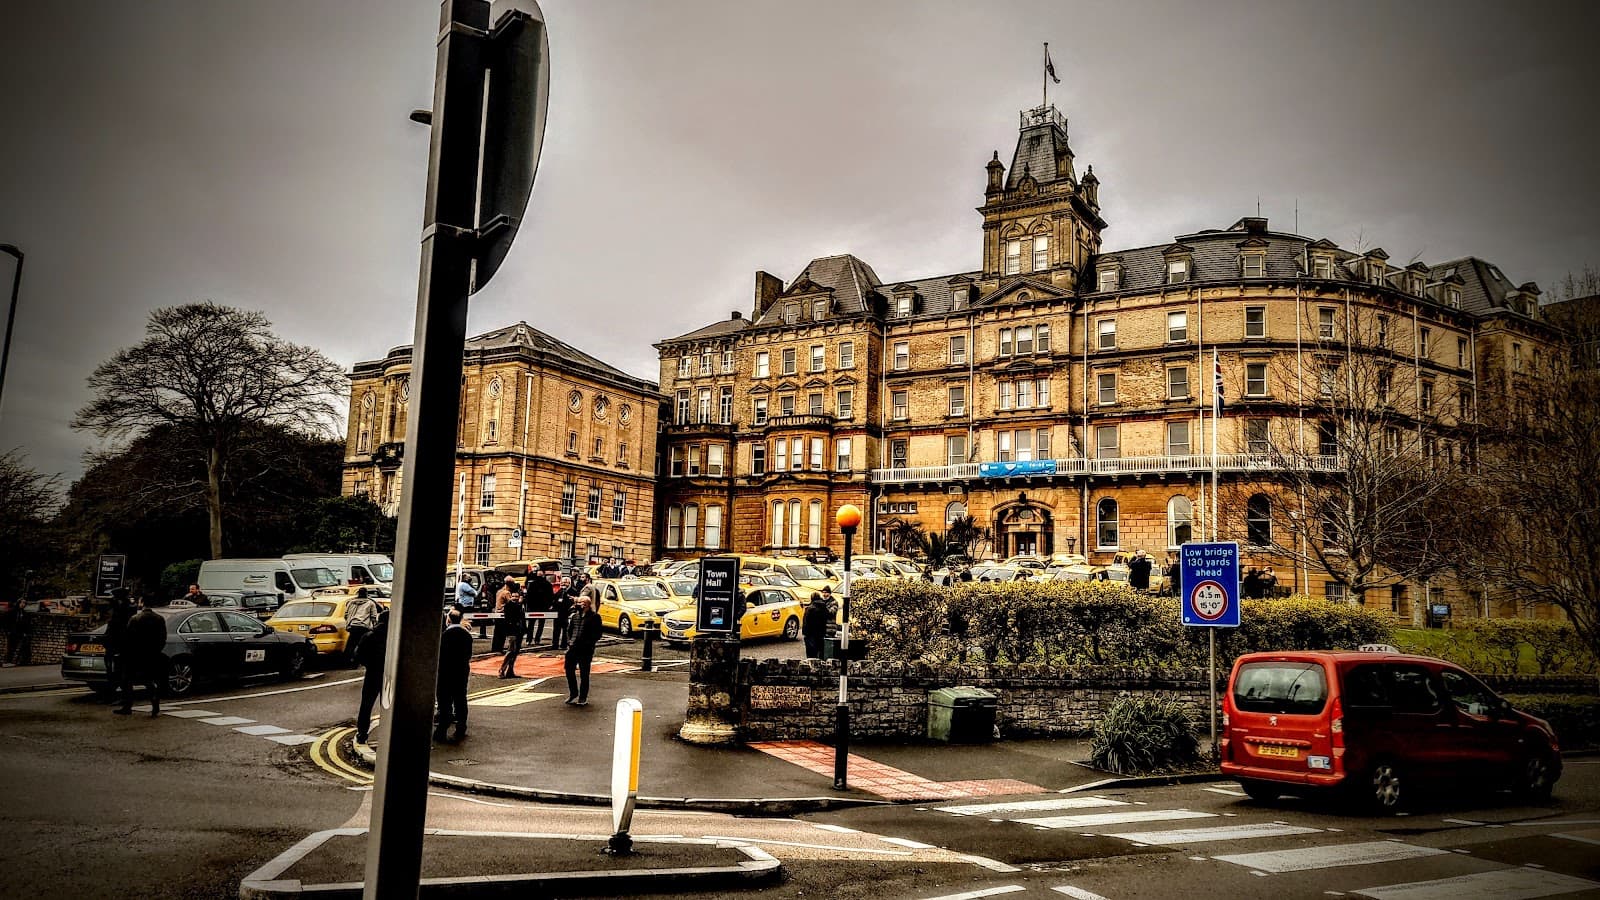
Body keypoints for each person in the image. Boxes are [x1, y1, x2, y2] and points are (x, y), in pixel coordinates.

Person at [116, 597, 168, 717]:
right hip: (152, 654)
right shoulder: (159, 619)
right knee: (148, 680)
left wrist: (127, 652)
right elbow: (163, 637)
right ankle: (155, 703)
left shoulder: (135, 619)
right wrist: (156, 650)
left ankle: (127, 706)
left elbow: (128, 638)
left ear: (142, 603)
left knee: (127, 680)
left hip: (136, 654)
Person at [435, 607, 473, 742]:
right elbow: (468, 654)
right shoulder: (467, 636)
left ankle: (442, 730)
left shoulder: (444, 636)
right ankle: (461, 727)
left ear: (448, 620)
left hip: (446, 672)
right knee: (460, 699)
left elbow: (440, 656)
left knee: (445, 701)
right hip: (461, 671)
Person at [354, 609, 389, 745]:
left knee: (366, 705)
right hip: (389, 674)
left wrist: (368, 664)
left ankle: (362, 733)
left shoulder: (369, 635)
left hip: (372, 673)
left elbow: (358, 654)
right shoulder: (393, 636)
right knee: (387, 705)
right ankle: (386, 734)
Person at [564, 594, 602, 706]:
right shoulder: (575, 616)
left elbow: (597, 633)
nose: (579, 604)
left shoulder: (594, 617)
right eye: (578, 602)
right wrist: (569, 641)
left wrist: (589, 643)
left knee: (584, 673)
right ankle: (573, 693)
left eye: (581, 603)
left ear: (587, 604)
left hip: (585, 649)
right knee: (569, 670)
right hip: (573, 648)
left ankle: (583, 697)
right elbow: (570, 630)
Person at [105, 588, 136, 700]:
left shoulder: (124, 610)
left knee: (121, 673)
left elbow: (118, 628)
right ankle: (116, 696)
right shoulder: (120, 609)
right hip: (114, 645)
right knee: (114, 673)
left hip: (121, 646)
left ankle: (125, 699)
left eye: (115, 597)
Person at [344, 587, 380, 668]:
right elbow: (373, 617)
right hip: (364, 627)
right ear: (366, 594)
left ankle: (348, 662)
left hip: (353, 626)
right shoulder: (370, 603)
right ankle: (357, 662)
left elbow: (346, 615)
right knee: (363, 645)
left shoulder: (351, 602)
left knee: (351, 645)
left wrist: (349, 622)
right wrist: (374, 627)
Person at [498, 589, 526, 678]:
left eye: (516, 596)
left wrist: (524, 629)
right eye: (513, 596)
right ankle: (502, 670)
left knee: (515, 652)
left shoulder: (520, 606)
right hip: (512, 631)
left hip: (519, 631)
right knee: (511, 651)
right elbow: (513, 616)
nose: (514, 598)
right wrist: (520, 603)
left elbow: (522, 618)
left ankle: (510, 671)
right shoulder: (509, 605)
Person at [524, 571, 555, 647]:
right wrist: (549, 605)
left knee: (531, 624)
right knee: (541, 624)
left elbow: (528, 596)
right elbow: (551, 596)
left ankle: (529, 639)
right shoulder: (548, 584)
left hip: (533, 607)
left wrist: (528, 607)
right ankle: (537, 639)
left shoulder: (532, 584)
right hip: (543, 607)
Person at [802, 590, 832, 659]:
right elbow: (827, 617)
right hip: (821, 633)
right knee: (820, 652)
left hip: (810, 634)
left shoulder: (810, 609)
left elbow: (806, 622)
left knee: (811, 654)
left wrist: (805, 633)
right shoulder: (824, 607)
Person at [491, 578, 516, 652]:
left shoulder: (499, 591)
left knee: (497, 633)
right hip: (503, 614)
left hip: (497, 614)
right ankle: (499, 648)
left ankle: (495, 648)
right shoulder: (507, 593)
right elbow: (511, 603)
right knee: (502, 633)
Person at [552, 578, 575, 650]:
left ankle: (564, 645)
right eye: (562, 582)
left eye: (565, 582)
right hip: (558, 613)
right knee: (556, 630)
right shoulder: (560, 591)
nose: (563, 584)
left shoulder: (573, 591)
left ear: (569, 583)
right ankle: (555, 645)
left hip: (567, 614)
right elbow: (554, 599)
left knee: (566, 630)